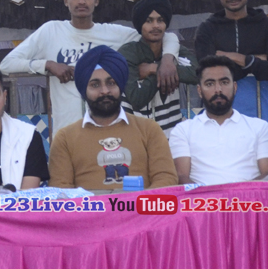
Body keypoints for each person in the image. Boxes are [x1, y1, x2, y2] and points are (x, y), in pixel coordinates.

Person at [0, 0, 181, 136]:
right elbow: (7, 64)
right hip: (68, 132)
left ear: (96, 0)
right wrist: (48, 65)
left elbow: (166, 36)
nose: (82, 1)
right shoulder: (51, 31)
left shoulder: (113, 33)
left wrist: (167, 61)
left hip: (109, 132)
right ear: (65, 0)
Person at [48, 45, 177, 191]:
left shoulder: (149, 129)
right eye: (95, 85)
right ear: (84, 91)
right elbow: (61, 189)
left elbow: (166, 178)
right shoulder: (65, 138)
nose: (105, 91)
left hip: (140, 205)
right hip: (90, 206)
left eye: (111, 83)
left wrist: (135, 203)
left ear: (120, 86)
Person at [169, 56, 268, 185]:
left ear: (235, 87)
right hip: (200, 197)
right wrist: (213, 196)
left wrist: (236, 193)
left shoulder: (260, 127)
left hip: (249, 196)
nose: (218, 90)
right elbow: (181, 177)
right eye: (210, 84)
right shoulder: (183, 130)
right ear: (199, 91)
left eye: (224, 82)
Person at [118, 0, 197, 137]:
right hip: (136, 137)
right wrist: (163, 72)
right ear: (140, 24)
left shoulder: (176, 51)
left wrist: (154, 69)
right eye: (149, 21)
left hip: (171, 135)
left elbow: (197, 73)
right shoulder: (128, 52)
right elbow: (136, 98)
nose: (155, 25)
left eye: (160, 20)